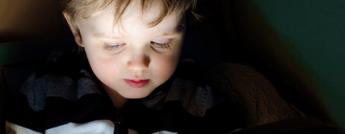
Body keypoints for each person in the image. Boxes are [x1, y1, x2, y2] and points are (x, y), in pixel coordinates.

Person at [3, 0, 324, 133]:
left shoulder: (201, 99)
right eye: (114, 45)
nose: (139, 63)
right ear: (77, 33)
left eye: (160, 43)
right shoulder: (43, 90)